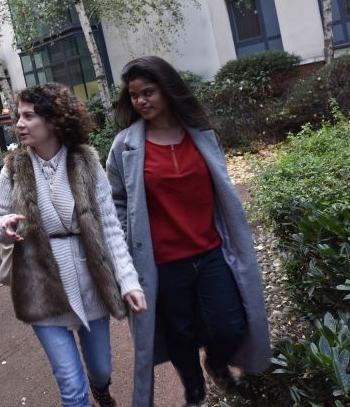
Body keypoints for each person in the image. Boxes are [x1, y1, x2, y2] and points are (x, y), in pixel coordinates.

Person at [106, 56, 271, 407]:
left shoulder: (202, 136)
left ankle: (215, 361)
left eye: (148, 92)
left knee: (230, 326)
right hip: (163, 262)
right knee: (180, 336)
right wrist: (128, 247)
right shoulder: (125, 146)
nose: (141, 101)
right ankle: (194, 391)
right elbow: (115, 202)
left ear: (168, 90)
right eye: (134, 95)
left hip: (211, 252)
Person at [0, 83, 147, 407]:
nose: (18, 123)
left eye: (28, 116)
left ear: (53, 119)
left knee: (101, 369)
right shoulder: (14, 168)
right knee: (72, 390)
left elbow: (109, 227)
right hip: (41, 286)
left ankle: (101, 389)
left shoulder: (86, 163)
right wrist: (4, 230)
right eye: (18, 116)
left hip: (90, 279)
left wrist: (128, 281)